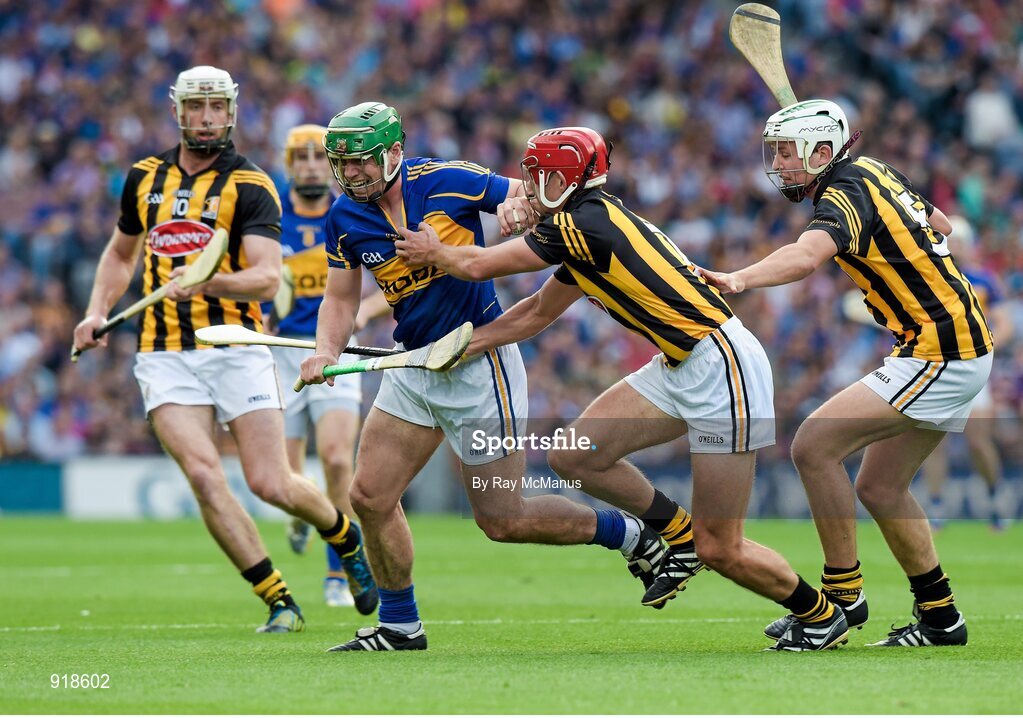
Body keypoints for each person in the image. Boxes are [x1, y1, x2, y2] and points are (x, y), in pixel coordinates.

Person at [396, 126, 850, 652]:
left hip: (721, 367)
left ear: (569, 178)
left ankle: (817, 614)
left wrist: (435, 251)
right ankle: (673, 533)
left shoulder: (580, 224)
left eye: (539, 175)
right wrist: (465, 343)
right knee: (574, 456)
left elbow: (477, 264)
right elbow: (536, 314)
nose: (528, 184)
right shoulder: (583, 225)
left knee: (720, 547)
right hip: (679, 363)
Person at [299, 104, 670, 652]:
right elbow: (340, 296)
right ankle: (400, 626)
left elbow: (527, 192)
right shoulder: (344, 218)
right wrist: (322, 351)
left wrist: (519, 212)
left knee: (504, 518)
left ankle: (631, 534)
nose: (349, 174)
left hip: (479, 363)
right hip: (412, 366)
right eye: (341, 163)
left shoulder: (450, 179)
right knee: (370, 497)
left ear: (393, 152)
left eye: (360, 162)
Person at [71, 66, 377, 633]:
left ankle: (344, 535)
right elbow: (119, 255)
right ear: (178, 112)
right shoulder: (144, 178)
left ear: (231, 112)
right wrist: (96, 311)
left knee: (271, 482)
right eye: (196, 106)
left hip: (236, 346)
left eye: (216, 106)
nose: (207, 117)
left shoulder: (252, 185)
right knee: (205, 475)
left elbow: (265, 279)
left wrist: (209, 282)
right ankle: (279, 598)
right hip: (162, 353)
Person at [699, 99, 993, 647]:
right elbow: (943, 224)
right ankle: (941, 618)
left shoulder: (845, 192)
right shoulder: (876, 170)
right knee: (880, 487)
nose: (779, 164)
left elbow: (807, 256)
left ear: (822, 151)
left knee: (813, 445)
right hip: (951, 343)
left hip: (940, 350)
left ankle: (841, 599)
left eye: (788, 152)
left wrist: (739, 279)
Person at [265, 124, 388, 610]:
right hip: (277, 351)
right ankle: (302, 513)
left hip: (337, 350)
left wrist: (358, 315)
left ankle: (339, 570)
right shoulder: (268, 217)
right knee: (285, 475)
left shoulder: (356, 213)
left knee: (338, 458)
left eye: (320, 157)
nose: (312, 166)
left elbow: (389, 284)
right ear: (290, 164)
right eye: (302, 158)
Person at [920, 215, 1012, 532]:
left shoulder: (983, 280)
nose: (954, 244)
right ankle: (935, 505)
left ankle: (995, 495)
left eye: (960, 239)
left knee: (978, 441)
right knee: (933, 440)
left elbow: (1005, 324)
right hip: (939, 364)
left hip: (972, 367)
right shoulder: (930, 277)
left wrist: (981, 347)